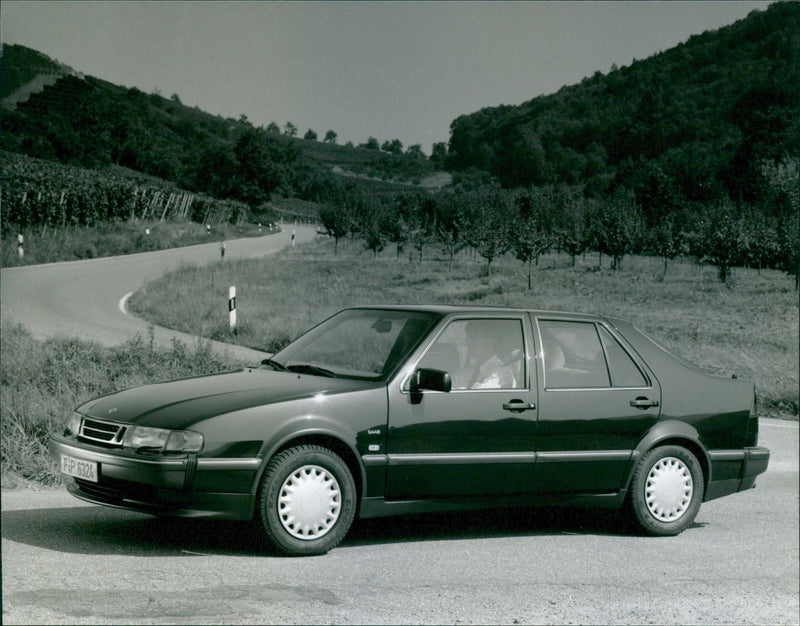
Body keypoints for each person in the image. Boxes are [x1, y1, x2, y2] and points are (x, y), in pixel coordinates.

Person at [455, 321, 522, 389]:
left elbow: (474, 396)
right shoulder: (469, 371)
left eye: (474, 338)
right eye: (467, 338)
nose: (467, 342)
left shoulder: (501, 374)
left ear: (490, 343)